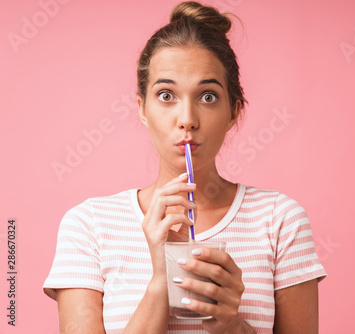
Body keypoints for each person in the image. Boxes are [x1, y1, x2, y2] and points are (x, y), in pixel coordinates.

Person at [43, 1, 327, 333]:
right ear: (142, 108)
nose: (187, 120)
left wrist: (232, 325)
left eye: (208, 96)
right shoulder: (88, 226)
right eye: (166, 95)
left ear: (233, 112)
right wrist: (162, 280)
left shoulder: (280, 221)